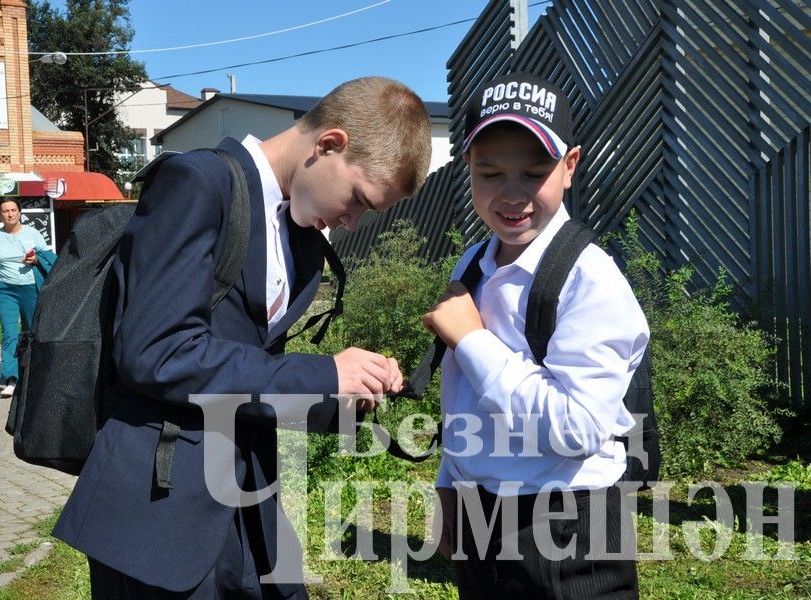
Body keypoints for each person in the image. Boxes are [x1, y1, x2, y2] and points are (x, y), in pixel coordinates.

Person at [53, 76, 433, 599]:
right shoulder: (197, 183)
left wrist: (346, 390)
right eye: (359, 200)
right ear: (329, 144)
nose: (351, 222)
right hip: (161, 511)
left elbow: (242, 358)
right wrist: (321, 373)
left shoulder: (299, 237)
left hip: (248, 500)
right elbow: (155, 352)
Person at [424, 72, 649, 599]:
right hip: (482, 509)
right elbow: (464, 396)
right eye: (490, 173)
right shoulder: (475, 263)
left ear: (569, 166)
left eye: (533, 171)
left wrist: (474, 342)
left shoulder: (590, 281)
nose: (512, 194)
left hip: (569, 522)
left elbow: (577, 429)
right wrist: (450, 483)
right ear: (468, 171)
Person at [0, 198, 49, 398]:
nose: (10, 214)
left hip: (30, 289)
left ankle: (33, 374)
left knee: (31, 332)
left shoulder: (33, 234)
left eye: (13, 210)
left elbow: (50, 258)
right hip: (6, 290)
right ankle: (11, 378)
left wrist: (36, 259)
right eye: (5, 211)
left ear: (20, 212)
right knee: (9, 333)